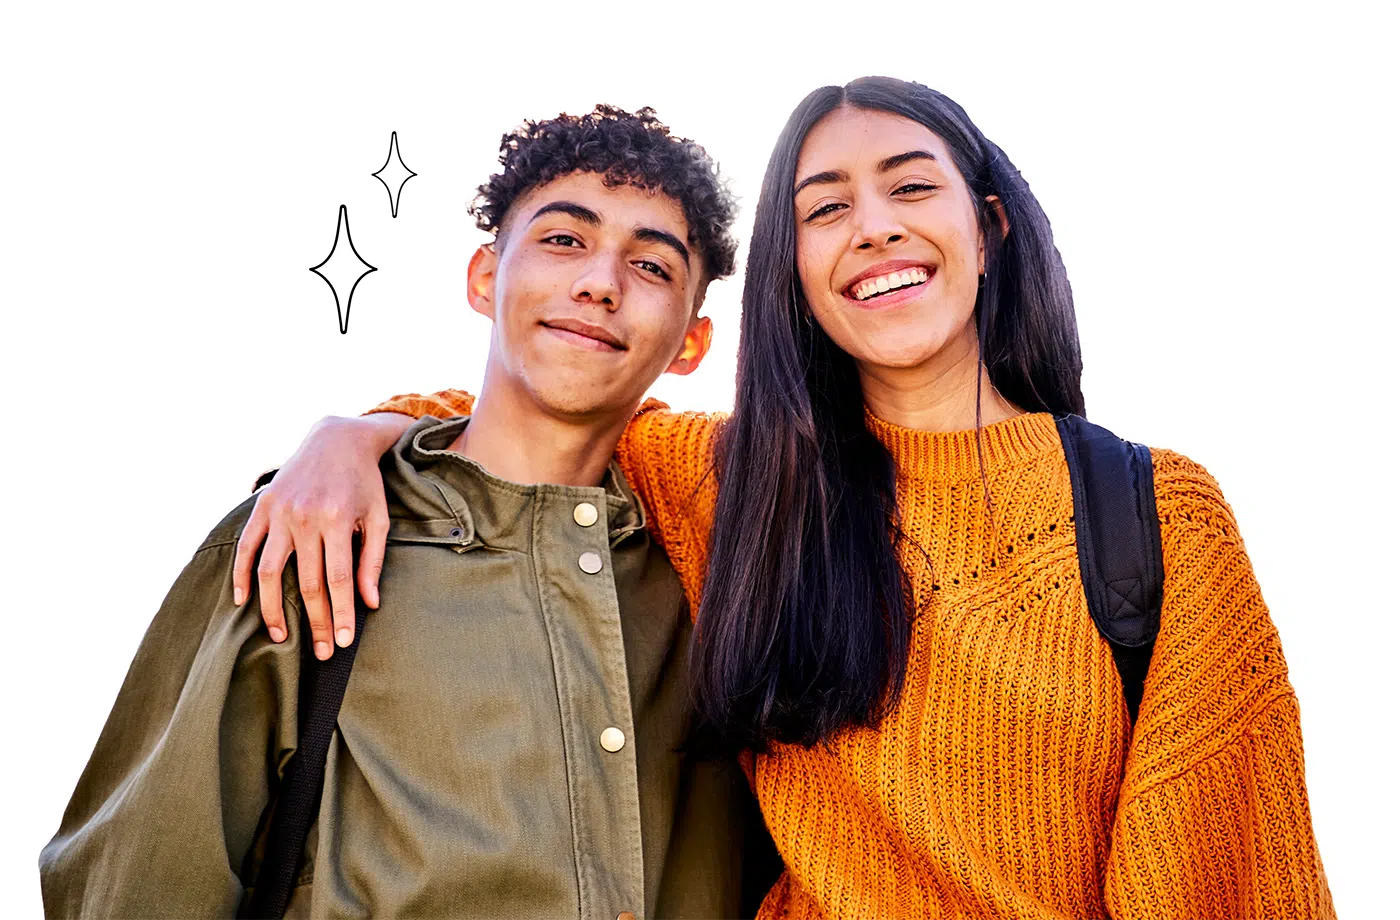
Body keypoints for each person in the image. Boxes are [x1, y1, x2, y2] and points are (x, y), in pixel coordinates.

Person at [233, 78, 1335, 918]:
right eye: (824, 208)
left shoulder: (1151, 512)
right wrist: (351, 436)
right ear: (794, 273)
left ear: (988, 227)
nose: (874, 227)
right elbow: (545, 409)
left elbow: (1228, 873)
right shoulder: (733, 483)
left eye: (910, 186)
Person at [40, 105, 778, 919]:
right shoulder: (311, 535)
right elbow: (136, 888)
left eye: (652, 267)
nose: (600, 282)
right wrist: (348, 438)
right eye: (565, 239)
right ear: (485, 278)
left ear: (692, 344)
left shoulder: (721, 571)